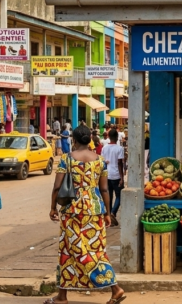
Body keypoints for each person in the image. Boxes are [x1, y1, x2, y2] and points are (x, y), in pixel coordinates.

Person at [48, 125, 126, 304]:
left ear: (74, 140)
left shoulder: (67, 159)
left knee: (71, 250)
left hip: (72, 211)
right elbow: (104, 189)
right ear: (90, 140)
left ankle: (115, 287)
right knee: (95, 250)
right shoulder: (100, 160)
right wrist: (107, 213)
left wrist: (53, 208)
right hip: (95, 210)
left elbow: (57, 187)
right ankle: (62, 296)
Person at [101, 129, 125, 227]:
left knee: (109, 195)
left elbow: (102, 161)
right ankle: (113, 213)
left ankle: (109, 214)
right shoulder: (119, 148)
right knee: (120, 195)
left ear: (109, 137)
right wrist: (122, 177)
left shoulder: (104, 148)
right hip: (116, 175)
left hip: (106, 174)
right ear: (117, 137)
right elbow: (120, 163)